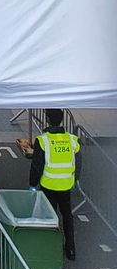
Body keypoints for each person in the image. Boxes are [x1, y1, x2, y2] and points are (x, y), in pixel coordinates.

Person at [29, 108, 79, 259]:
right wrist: (75, 179)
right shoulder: (72, 140)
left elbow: (37, 165)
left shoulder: (43, 141)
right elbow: (78, 161)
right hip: (65, 184)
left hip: (49, 184)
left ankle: (49, 248)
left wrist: (32, 184)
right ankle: (70, 248)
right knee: (67, 215)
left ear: (47, 119)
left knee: (50, 216)